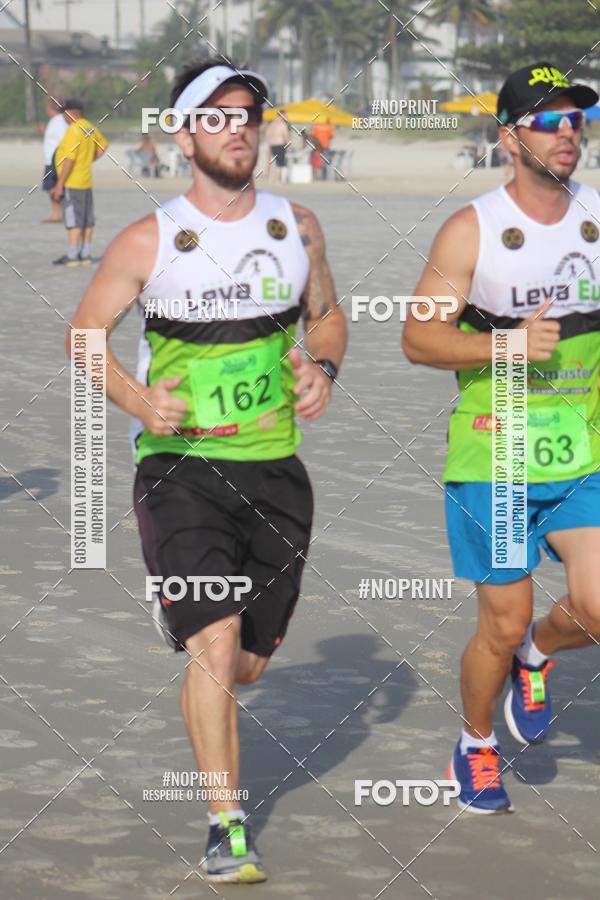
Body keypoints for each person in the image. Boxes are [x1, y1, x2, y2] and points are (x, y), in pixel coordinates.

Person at [67, 59, 347, 881]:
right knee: (215, 644)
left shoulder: (298, 226)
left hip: (275, 472)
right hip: (179, 468)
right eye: (216, 116)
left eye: (248, 115)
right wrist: (138, 401)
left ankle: (186, 617)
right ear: (185, 134)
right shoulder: (148, 239)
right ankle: (227, 825)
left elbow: (325, 315)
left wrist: (322, 368)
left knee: (250, 662)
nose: (237, 127)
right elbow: (87, 336)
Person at [403, 62, 600, 814]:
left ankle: (540, 656)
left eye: (576, 118)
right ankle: (476, 744)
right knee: (502, 619)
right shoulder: (472, 230)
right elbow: (419, 339)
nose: (569, 133)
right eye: (550, 121)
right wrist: (507, 346)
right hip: (495, 456)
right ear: (509, 137)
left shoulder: (595, 216)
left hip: (583, 451)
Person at [50, 98, 108, 266]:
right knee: (87, 221)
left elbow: (69, 159)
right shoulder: (89, 127)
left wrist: (59, 184)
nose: (63, 118)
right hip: (86, 181)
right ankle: (86, 254)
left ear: (71, 113)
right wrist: (89, 160)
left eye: (64, 114)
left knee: (74, 220)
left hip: (72, 183)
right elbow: (103, 146)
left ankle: (73, 256)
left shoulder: (74, 130)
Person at [40, 99, 67, 223]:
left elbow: (64, 140)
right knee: (53, 186)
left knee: (51, 186)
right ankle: (58, 213)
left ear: (51, 109)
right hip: (52, 159)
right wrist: (43, 132)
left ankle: (57, 214)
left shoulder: (60, 121)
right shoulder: (57, 121)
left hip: (55, 159)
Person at [264, 112, 289, 182]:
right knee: (280, 163)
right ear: (282, 115)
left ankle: (271, 178)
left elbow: (267, 134)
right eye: (285, 116)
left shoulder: (272, 124)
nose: (286, 117)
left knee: (274, 162)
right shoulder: (283, 124)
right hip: (280, 144)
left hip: (272, 145)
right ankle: (278, 179)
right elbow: (285, 135)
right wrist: (288, 144)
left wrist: (268, 144)